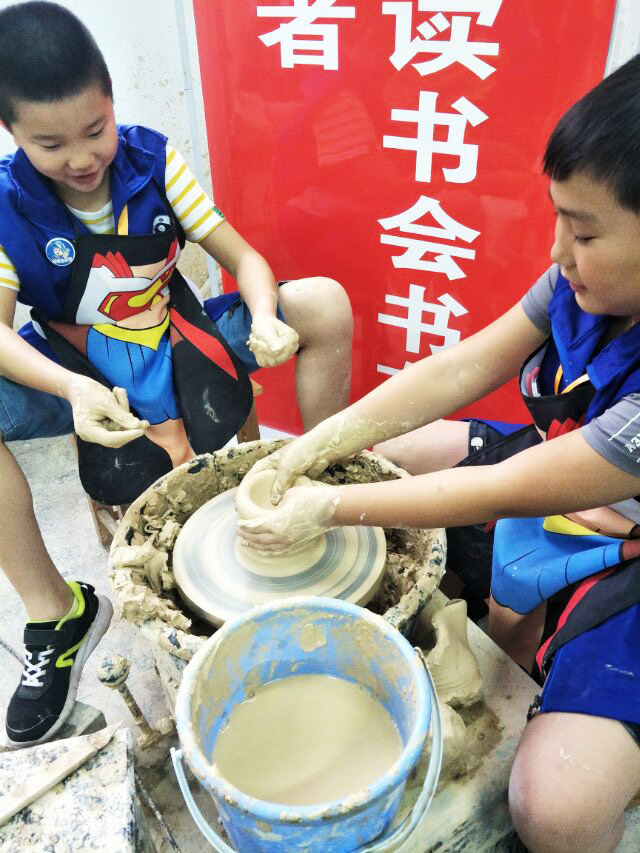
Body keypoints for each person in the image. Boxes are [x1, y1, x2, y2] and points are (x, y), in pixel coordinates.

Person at [238, 55, 640, 852]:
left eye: (585, 231)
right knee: (392, 454)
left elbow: (506, 489)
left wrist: (329, 507)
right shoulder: (583, 283)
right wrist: (321, 443)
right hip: (562, 473)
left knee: (554, 809)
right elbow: (461, 368)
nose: (558, 249)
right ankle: (508, 620)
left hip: (622, 538)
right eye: (558, 218)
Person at [0, 1, 352, 747]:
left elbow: (245, 259)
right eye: (50, 144)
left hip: (178, 339)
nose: (81, 158)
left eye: (94, 129)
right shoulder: (6, 205)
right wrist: (72, 388)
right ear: (11, 132)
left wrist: (264, 314)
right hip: (78, 373)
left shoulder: (151, 163)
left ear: (111, 102)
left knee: (322, 302)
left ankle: (321, 480)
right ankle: (57, 613)